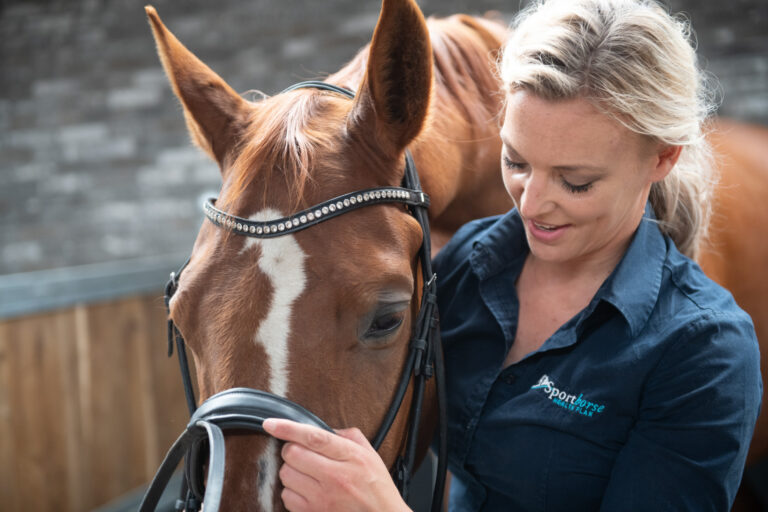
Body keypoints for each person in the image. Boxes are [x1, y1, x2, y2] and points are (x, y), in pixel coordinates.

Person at [263, 0, 763, 510]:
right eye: (517, 161)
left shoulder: (705, 352)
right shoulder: (462, 267)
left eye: (576, 182)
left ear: (661, 157)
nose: (531, 203)